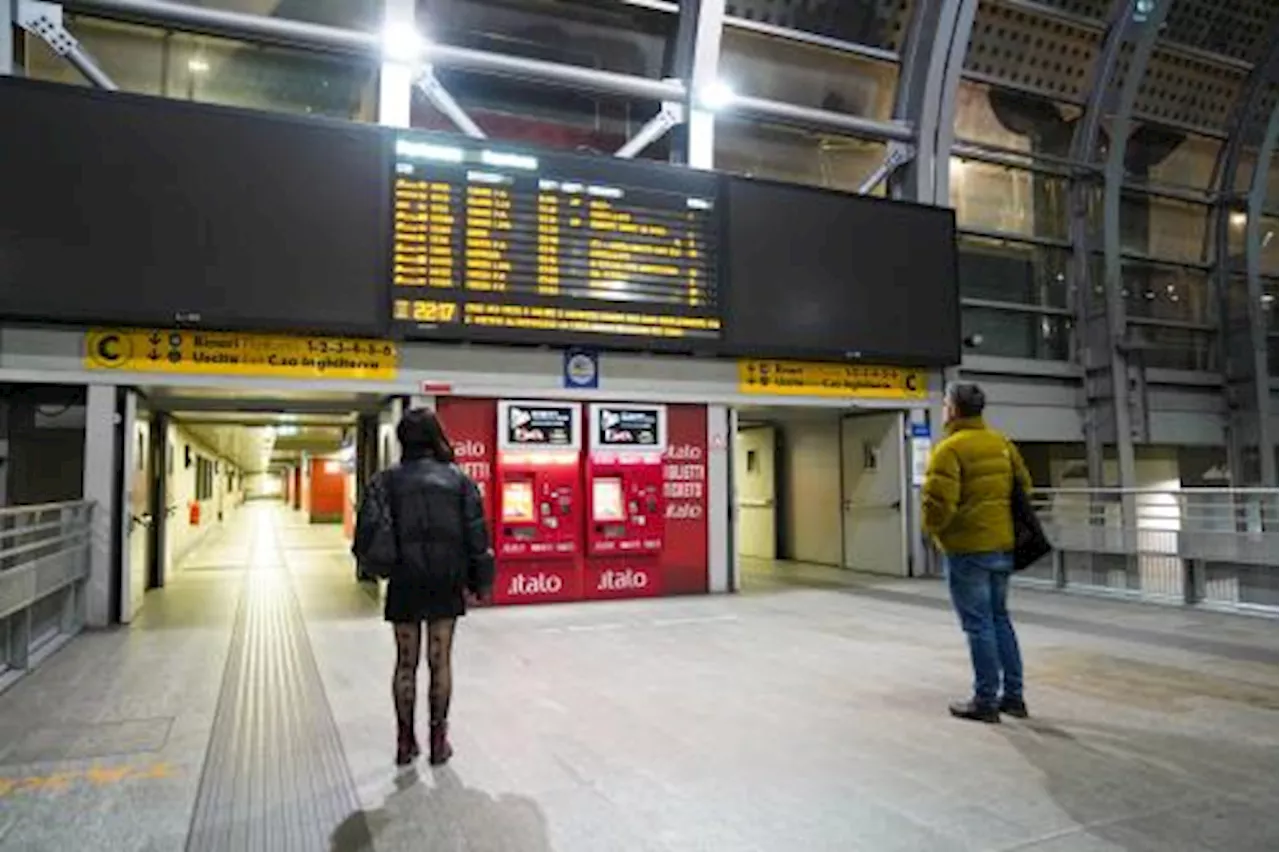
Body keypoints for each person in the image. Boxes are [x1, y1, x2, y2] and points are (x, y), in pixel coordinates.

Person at [353, 408, 495, 765]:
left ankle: (404, 742)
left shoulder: (385, 481)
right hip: (446, 580)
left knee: (405, 663)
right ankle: (438, 740)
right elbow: (477, 537)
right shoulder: (459, 481)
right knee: (440, 661)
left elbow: (365, 535)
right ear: (436, 436)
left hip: (404, 580)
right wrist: (481, 581)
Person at [922, 383, 1032, 724]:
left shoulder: (949, 450)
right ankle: (1013, 697)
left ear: (953, 409)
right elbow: (1024, 488)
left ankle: (985, 699)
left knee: (978, 625)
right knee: (1000, 618)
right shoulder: (1002, 444)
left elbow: (938, 505)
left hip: (968, 550)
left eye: (944, 404)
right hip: (1003, 545)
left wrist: (935, 532)